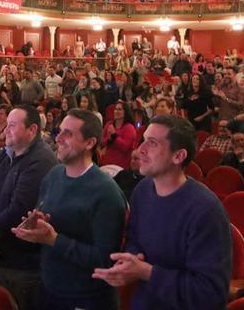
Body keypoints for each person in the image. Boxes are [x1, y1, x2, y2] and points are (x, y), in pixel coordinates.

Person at [93, 115, 231, 309]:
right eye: (143, 140)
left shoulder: (206, 211)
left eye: (153, 143)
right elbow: (135, 240)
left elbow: (210, 294)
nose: (141, 149)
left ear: (178, 156)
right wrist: (130, 261)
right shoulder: (142, 191)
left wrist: (147, 272)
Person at [13, 109, 126, 309]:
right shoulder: (53, 176)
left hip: (85, 299)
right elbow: (52, 225)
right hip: (49, 289)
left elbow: (105, 260)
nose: (59, 138)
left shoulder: (106, 192)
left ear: (89, 143)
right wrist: (37, 225)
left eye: (69, 134)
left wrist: (54, 239)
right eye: (60, 131)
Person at [0, 106, 58, 310]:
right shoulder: (3, 154)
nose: (5, 129)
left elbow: (17, 211)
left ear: (32, 129)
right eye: (6, 124)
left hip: (23, 265)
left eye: (12, 125)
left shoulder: (41, 161)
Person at [100, 101, 138, 169]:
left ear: (125, 112)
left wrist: (114, 136)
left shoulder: (129, 127)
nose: (116, 111)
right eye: (115, 109)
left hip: (121, 165)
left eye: (119, 109)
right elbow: (102, 142)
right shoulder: (109, 124)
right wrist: (109, 139)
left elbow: (126, 148)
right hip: (106, 163)